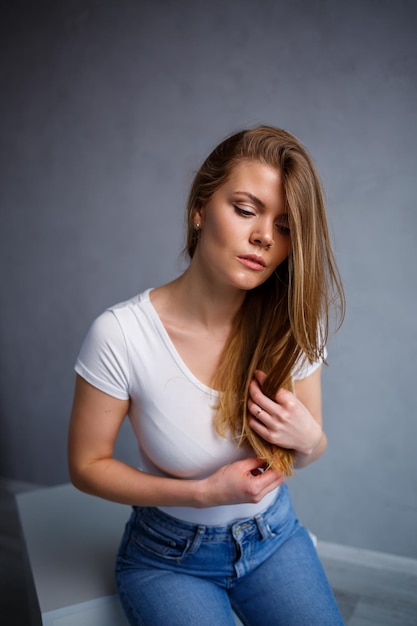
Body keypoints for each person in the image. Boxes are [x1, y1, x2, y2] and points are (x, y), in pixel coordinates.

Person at [68, 125, 346, 625]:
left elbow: (308, 452)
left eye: (284, 227)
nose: (263, 236)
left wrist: (310, 439)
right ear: (200, 209)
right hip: (168, 559)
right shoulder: (121, 334)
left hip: (274, 538)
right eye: (245, 210)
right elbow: (86, 466)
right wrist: (202, 493)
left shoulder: (294, 322)